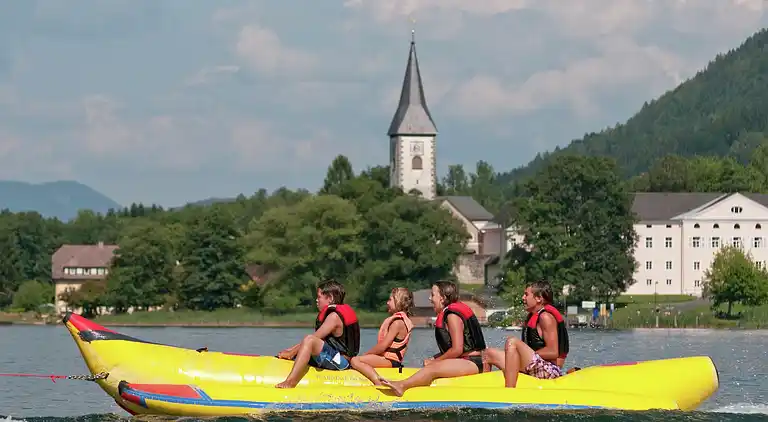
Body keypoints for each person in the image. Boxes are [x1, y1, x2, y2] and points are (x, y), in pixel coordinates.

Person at [380, 281, 487, 397]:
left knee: (432, 368)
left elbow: (457, 350)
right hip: (465, 360)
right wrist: (434, 358)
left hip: (471, 362)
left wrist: (436, 361)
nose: (430, 299)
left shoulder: (452, 316)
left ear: (442, 297)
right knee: (430, 363)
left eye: (433, 295)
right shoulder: (450, 313)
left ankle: (402, 386)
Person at [482, 280, 570, 387]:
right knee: (487, 354)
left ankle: (509, 391)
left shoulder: (546, 317)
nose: (523, 298)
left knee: (512, 342)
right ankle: (483, 389)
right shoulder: (533, 316)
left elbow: (553, 352)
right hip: (535, 364)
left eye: (526, 294)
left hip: (549, 370)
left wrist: (522, 355)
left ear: (538, 298)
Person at [275, 280, 360, 388]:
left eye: (319, 297)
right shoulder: (334, 314)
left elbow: (314, 339)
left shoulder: (334, 317)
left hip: (341, 362)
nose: (316, 300)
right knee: (307, 342)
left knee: (310, 340)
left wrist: (292, 352)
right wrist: (290, 350)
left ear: (330, 298)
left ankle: (291, 382)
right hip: (333, 356)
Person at [350, 287, 414, 385]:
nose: (387, 303)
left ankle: (378, 382)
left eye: (390, 300)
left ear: (399, 301)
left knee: (355, 360)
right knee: (359, 360)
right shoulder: (399, 321)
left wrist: (366, 354)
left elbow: (383, 346)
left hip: (390, 361)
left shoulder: (398, 323)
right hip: (387, 360)